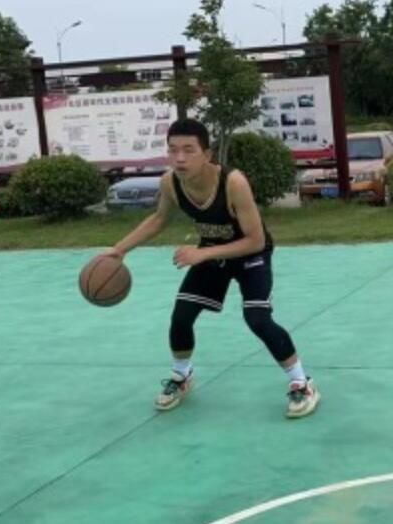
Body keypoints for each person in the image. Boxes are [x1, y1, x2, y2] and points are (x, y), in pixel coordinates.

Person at [100, 118, 320, 418]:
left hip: (250, 254)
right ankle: (182, 375)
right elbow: (159, 219)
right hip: (212, 253)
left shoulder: (233, 183)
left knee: (257, 318)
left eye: (188, 150)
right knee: (181, 317)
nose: (179, 158)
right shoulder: (170, 182)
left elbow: (255, 240)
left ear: (207, 154)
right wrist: (119, 249)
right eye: (173, 150)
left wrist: (202, 254)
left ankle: (302, 382)